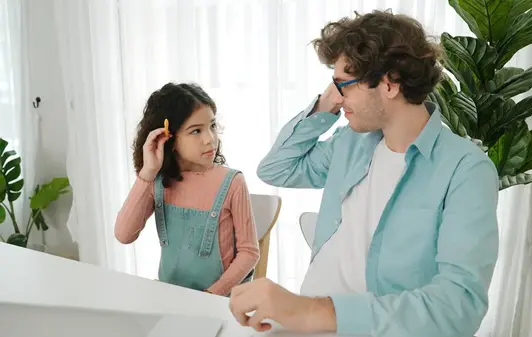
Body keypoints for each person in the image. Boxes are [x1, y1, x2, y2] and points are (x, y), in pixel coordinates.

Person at [228, 9, 499, 337]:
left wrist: (310, 311)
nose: (340, 97)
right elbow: (276, 168)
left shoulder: (465, 170)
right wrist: (329, 100)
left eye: (345, 85)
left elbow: (458, 307)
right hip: (301, 325)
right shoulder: (352, 142)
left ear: (390, 83)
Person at [114, 83, 260, 296]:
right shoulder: (156, 181)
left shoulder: (232, 182)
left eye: (212, 126)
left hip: (220, 300)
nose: (209, 138)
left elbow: (249, 253)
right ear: (168, 138)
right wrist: (147, 173)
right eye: (196, 131)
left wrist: (211, 295)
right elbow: (123, 235)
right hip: (171, 297)